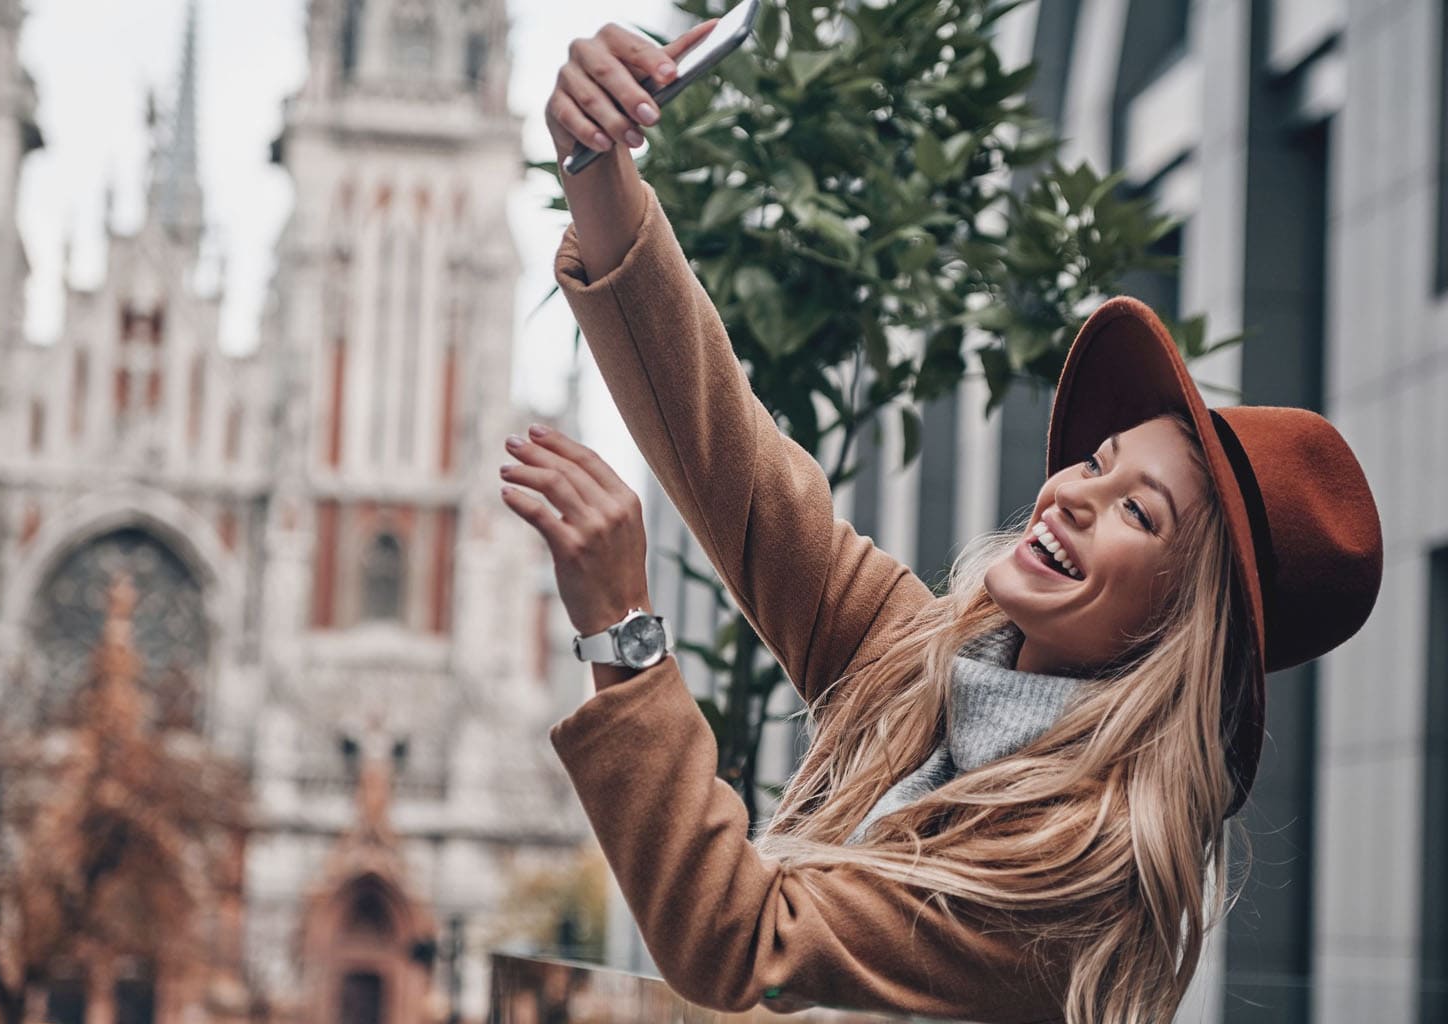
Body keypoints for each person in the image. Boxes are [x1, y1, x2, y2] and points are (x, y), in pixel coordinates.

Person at [498, 19, 1383, 1024]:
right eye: (1097, 462)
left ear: (1181, 626)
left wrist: (624, 631)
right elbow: (738, 473)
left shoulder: (1073, 879)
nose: (1073, 493)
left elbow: (747, 941)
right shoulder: (931, 663)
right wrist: (598, 172)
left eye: (1137, 511)